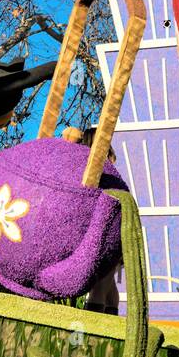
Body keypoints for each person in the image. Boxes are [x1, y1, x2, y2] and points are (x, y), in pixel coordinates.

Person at [63, 124, 120, 313]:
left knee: (107, 287)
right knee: (104, 284)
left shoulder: (94, 169)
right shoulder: (97, 169)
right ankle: (99, 330)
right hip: (104, 230)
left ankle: (104, 329)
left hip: (106, 229)